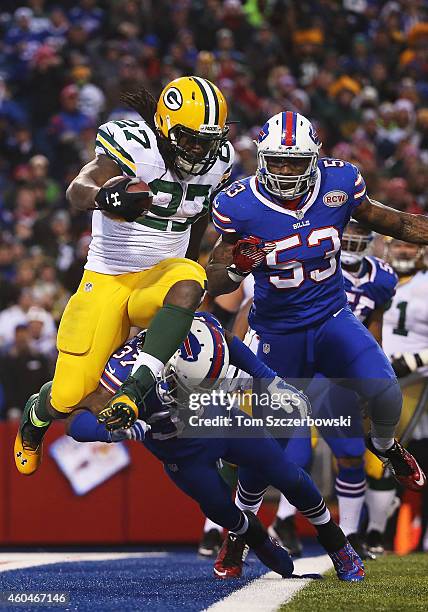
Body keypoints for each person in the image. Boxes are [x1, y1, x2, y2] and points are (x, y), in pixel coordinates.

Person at [14, 76, 234, 475]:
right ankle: (37, 414)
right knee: (70, 396)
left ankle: (139, 390)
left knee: (191, 282)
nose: (201, 150)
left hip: (161, 277)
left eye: (208, 140)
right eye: (191, 139)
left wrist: (190, 268)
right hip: (109, 277)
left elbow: (197, 217)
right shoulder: (136, 146)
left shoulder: (219, 162)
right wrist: (103, 197)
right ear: (166, 128)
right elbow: (77, 189)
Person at [207, 110, 426, 496]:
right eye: (277, 161)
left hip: (332, 317)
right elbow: (216, 280)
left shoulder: (340, 182)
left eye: (295, 162)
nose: (287, 170)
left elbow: (397, 223)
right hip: (278, 332)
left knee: (386, 391)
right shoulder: (238, 204)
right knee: (271, 443)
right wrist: (238, 269)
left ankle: (387, 446)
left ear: (314, 158)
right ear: (261, 158)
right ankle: (239, 533)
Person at [66, 312, 365, 582]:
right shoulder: (124, 373)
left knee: (286, 473)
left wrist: (269, 380)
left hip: (220, 419)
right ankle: (256, 539)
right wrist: (117, 432)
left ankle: (337, 543)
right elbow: (76, 422)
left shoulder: (194, 328)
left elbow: (228, 339)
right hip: (181, 453)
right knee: (222, 510)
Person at [365, 239, 428, 555]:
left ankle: (378, 534)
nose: (404, 250)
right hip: (370, 379)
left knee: (386, 454)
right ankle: (371, 532)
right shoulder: (373, 277)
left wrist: (415, 361)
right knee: (358, 455)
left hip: (413, 383)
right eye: (399, 244)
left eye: (410, 245)